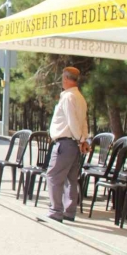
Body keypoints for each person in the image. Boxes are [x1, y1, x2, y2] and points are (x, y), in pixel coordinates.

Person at [46, 67, 89, 223]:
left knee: (53, 176)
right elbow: (83, 121)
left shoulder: (68, 97)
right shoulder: (80, 98)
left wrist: (80, 139)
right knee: (71, 178)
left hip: (65, 143)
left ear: (65, 78)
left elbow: (72, 122)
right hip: (74, 144)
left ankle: (55, 211)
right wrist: (83, 139)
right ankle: (69, 211)